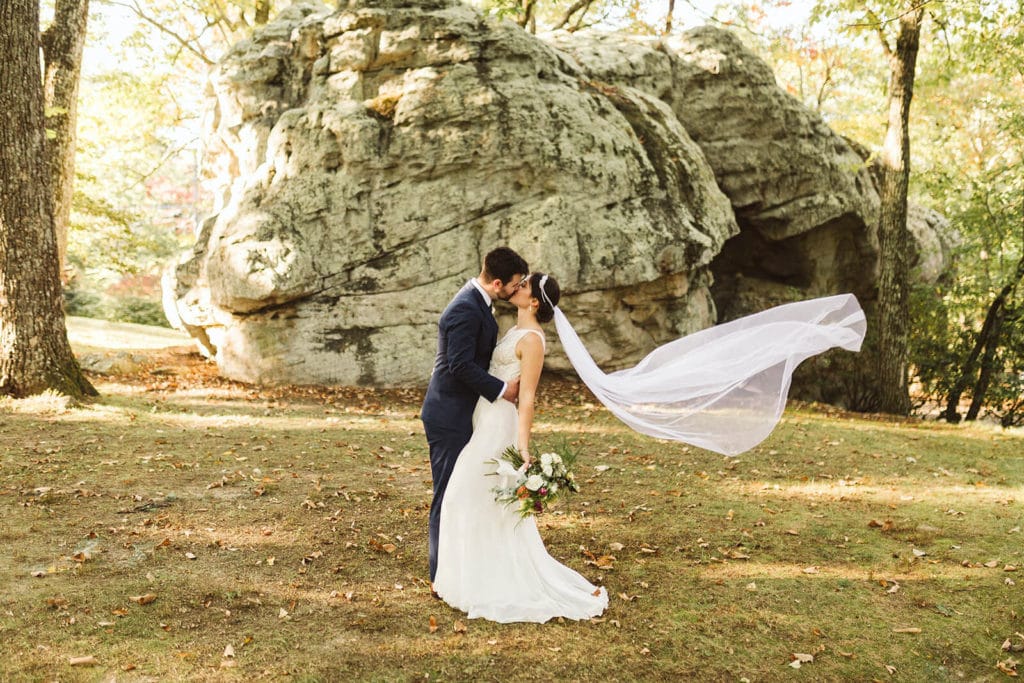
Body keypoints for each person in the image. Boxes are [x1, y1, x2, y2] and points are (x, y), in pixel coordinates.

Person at [432, 273, 609, 623]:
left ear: (534, 302)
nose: (517, 287)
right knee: (475, 499)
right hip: (483, 417)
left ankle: (484, 580)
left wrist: (522, 447)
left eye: (524, 285)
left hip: (500, 427)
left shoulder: (532, 340)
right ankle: (469, 574)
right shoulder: (512, 331)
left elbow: (527, 399)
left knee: (462, 496)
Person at [421, 247, 529, 585]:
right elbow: (460, 364)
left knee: (463, 490)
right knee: (447, 494)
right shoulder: (466, 309)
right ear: (498, 283)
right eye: (515, 284)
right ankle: (440, 575)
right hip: (448, 413)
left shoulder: (479, 301)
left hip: (466, 411)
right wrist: (502, 389)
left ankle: (461, 566)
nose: (517, 289)